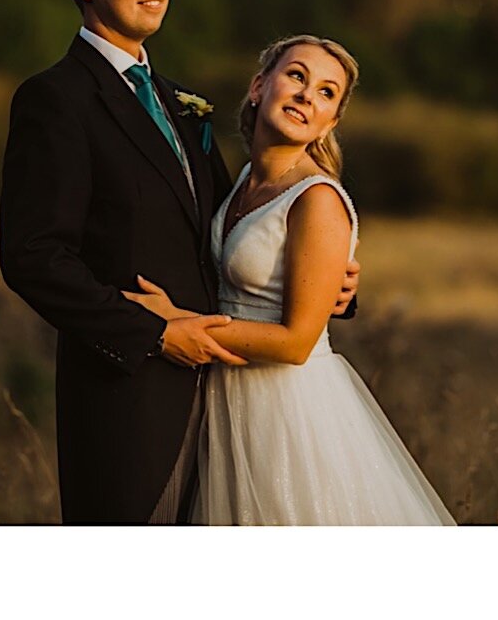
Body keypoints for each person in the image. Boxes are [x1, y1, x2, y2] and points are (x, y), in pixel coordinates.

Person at [0, 0, 359, 524]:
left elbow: (233, 231)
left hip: (234, 405)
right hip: (128, 402)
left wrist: (334, 282)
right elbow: (32, 257)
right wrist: (156, 334)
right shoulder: (55, 100)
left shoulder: (178, 103)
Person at [124, 35, 454, 524]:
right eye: (297, 76)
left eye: (326, 92)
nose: (306, 95)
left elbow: (297, 341)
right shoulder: (241, 180)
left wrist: (179, 322)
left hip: (287, 407)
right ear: (260, 86)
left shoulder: (317, 199)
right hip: (226, 399)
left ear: (332, 121)